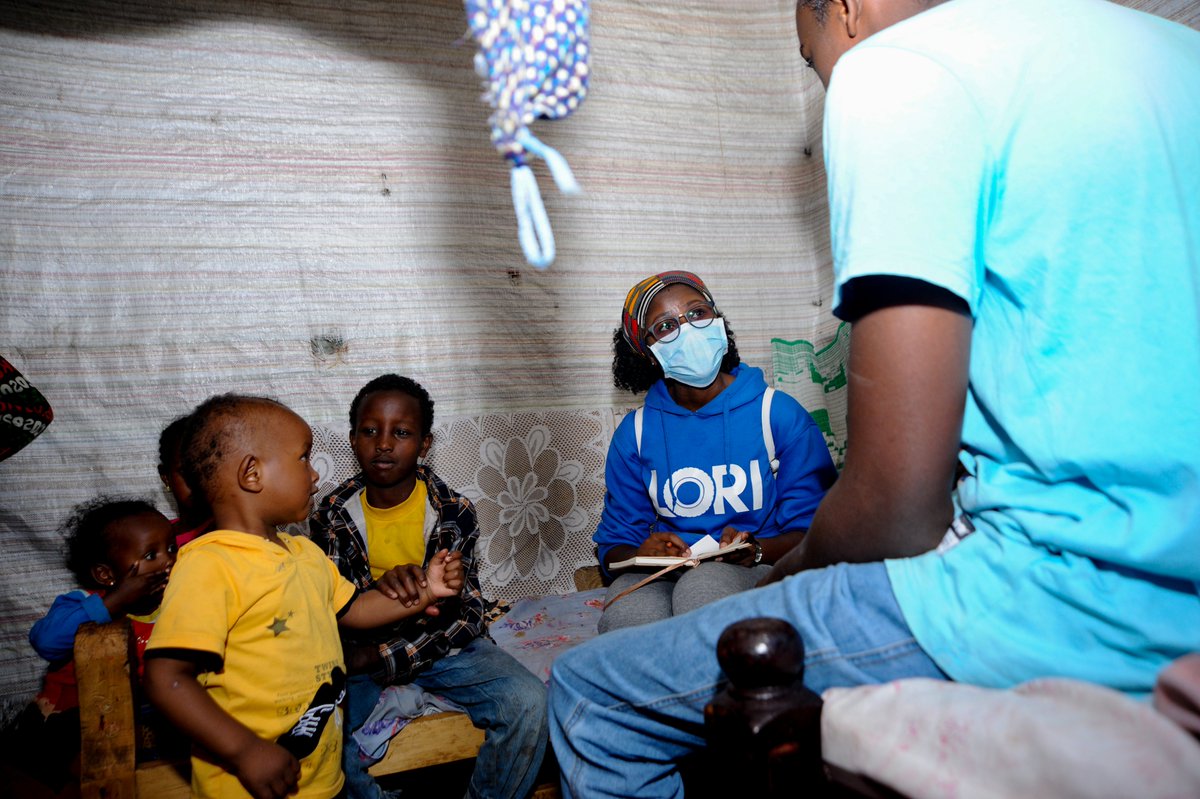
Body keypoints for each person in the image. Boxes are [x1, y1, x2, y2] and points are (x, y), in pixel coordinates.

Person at [547, 0, 1200, 796]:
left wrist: (785, 572)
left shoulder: (899, 72)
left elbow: (896, 505)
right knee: (638, 621)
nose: (825, 76)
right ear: (642, 350)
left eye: (808, 54)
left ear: (846, 10)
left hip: (1053, 600)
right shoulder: (1169, 51)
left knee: (590, 691)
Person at [144, 394, 464, 799]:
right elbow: (165, 679)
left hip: (318, 779)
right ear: (252, 474)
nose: (314, 475)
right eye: (303, 458)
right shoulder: (209, 565)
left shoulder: (304, 553)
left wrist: (428, 589)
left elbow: (359, 610)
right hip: (247, 785)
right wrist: (244, 751)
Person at [309, 374, 548, 799]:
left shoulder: (453, 510)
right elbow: (333, 612)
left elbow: (467, 615)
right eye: (370, 431)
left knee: (528, 702)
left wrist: (382, 656)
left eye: (401, 432)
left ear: (424, 445)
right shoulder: (331, 514)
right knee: (318, 730)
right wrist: (378, 595)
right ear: (351, 438)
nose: (383, 443)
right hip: (359, 649)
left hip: (435, 645)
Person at [595, 270, 836, 631]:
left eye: (697, 313)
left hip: (758, 566)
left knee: (703, 587)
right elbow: (614, 548)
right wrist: (641, 553)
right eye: (665, 326)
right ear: (646, 353)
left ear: (718, 320)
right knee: (628, 617)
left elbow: (817, 533)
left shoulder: (777, 415)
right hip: (664, 575)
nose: (688, 329)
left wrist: (754, 550)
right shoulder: (636, 434)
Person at [10, 497, 175, 791]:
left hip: (140, 717)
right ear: (106, 575)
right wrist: (116, 602)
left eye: (172, 549)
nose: (168, 561)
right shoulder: (83, 604)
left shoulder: (176, 605)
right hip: (71, 719)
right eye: (151, 555)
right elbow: (46, 642)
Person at [157, 413, 213, 547]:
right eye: (185, 472)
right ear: (165, 477)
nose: (197, 481)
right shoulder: (152, 538)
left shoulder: (231, 533)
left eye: (208, 469)